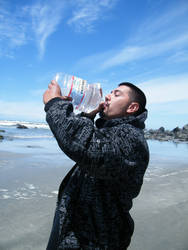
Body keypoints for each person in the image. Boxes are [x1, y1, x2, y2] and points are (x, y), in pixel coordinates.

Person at [43, 80, 149, 250]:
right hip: (80, 235)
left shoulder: (132, 138)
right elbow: (89, 141)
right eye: (111, 92)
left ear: (132, 108)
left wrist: (55, 104)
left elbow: (86, 147)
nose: (107, 95)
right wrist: (88, 115)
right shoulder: (112, 133)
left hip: (94, 241)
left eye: (116, 94)